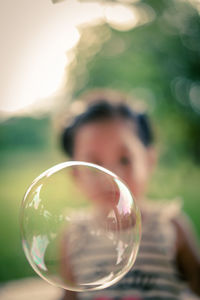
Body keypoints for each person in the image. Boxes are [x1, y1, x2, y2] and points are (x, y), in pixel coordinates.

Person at [59, 89, 200, 300]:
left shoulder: (171, 226)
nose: (110, 176)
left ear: (149, 161)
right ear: (76, 175)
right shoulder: (74, 235)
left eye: (125, 160)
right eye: (94, 164)